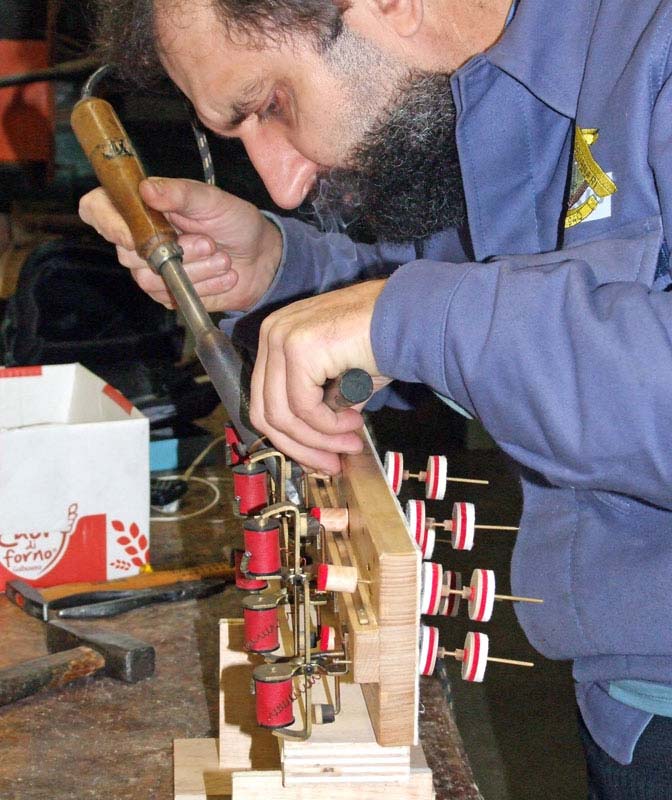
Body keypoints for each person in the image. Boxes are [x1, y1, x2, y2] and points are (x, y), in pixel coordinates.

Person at [79, 1, 672, 797]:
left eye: (272, 105)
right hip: (626, 703)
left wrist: (408, 319)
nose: (284, 183)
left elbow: (452, 315)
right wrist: (279, 267)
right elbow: (491, 295)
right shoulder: (494, 85)